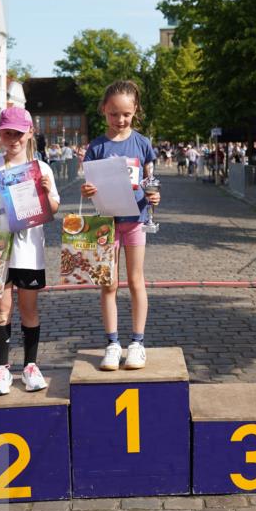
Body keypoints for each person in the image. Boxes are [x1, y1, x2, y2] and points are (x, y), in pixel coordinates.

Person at [0, 107, 60, 397]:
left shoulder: (42, 168)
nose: (12, 138)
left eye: (18, 133)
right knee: (1, 308)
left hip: (28, 250)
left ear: (29, 134)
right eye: (7, 132)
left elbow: (52, 210)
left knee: (29, 309)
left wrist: (48, 191)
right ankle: (2, 368)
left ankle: (30, 365)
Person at [81, 80, 160, 370]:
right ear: (104, 110)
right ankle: (112, 343)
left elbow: (150, 181)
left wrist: (154, 195)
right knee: (109, 284)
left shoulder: (142, 143)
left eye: (126, 114)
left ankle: (137, 343)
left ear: (135, 110)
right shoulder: (97, 146)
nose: (120, 120)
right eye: (114, 114)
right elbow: (89, 183)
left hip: (135, 221)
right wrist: (87, 191)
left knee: (136, 281)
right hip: (107, 223)